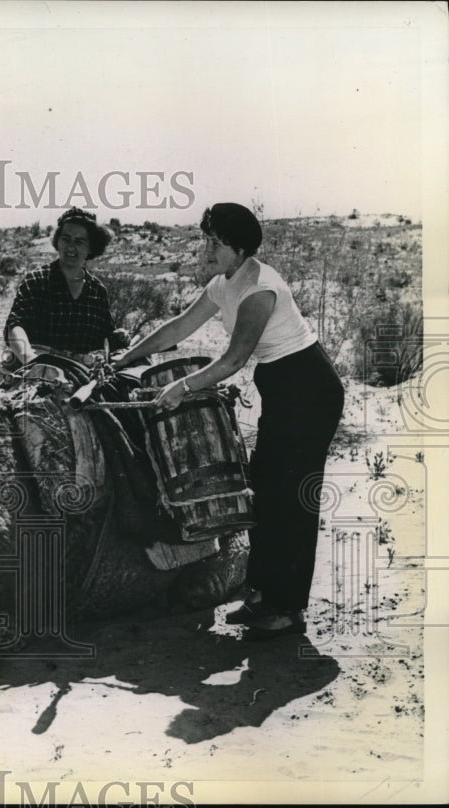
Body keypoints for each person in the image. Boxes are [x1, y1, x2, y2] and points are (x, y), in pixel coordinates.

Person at [110, 202, 344, 639]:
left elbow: (234, 359)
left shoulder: (259, 287)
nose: (206, 248)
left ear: (239, 248)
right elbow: (179, 327)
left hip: (309, 389)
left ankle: (287, 609)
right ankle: (260, 596)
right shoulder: (225, 284)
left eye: (214, 241)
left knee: (291, 498)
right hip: (281, 385)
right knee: (266, 491)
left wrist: (182, 387)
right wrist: (126, 357)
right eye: (205, 239)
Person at [1, 207, 126, 383]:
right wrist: (32, 361)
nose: (70, 247)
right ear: (57, 241)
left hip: (81, 377)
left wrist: (118, 337)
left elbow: (105, 338)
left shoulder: (97, 291)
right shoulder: (37, 280)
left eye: (79, 241)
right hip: (36, 370)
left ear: (91, 247)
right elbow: (15, 326)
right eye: (66, 239)